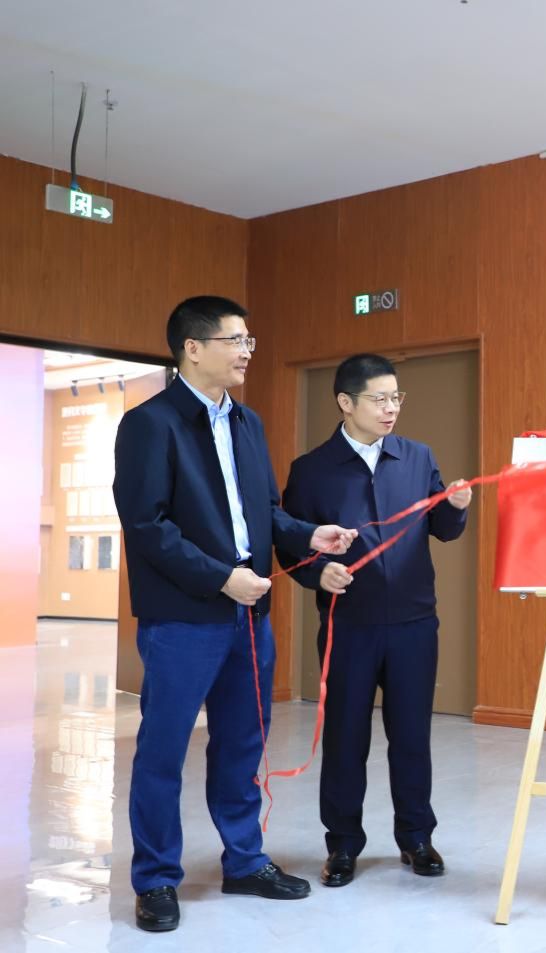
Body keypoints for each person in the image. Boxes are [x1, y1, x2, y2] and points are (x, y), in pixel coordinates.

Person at [113, 296, 357, 932]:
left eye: (249, 339)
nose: (247, 350)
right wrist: (221, 577)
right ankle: (155, 879)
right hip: (182, 618)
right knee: (163, 751)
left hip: (249, 616)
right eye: (235, 340)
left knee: (243, 743)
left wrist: (308, 534)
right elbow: (147, 526)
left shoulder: (248, 423)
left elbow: (266, 512)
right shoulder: (149, 424)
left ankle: (245, 861)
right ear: (193, 348)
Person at [280, 353, 471, 888]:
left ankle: (417, 838)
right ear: (346, 402)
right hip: (349, 626)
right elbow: (291, 546)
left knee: (411, 736)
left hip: (414, 623)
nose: (391, 409)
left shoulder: (416, 456)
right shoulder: (311, 470)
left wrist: (456, 506)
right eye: (379, 399)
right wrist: (319, 573)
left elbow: (443, 529)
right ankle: (343, 845)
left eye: (396, 398)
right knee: (345, 739)